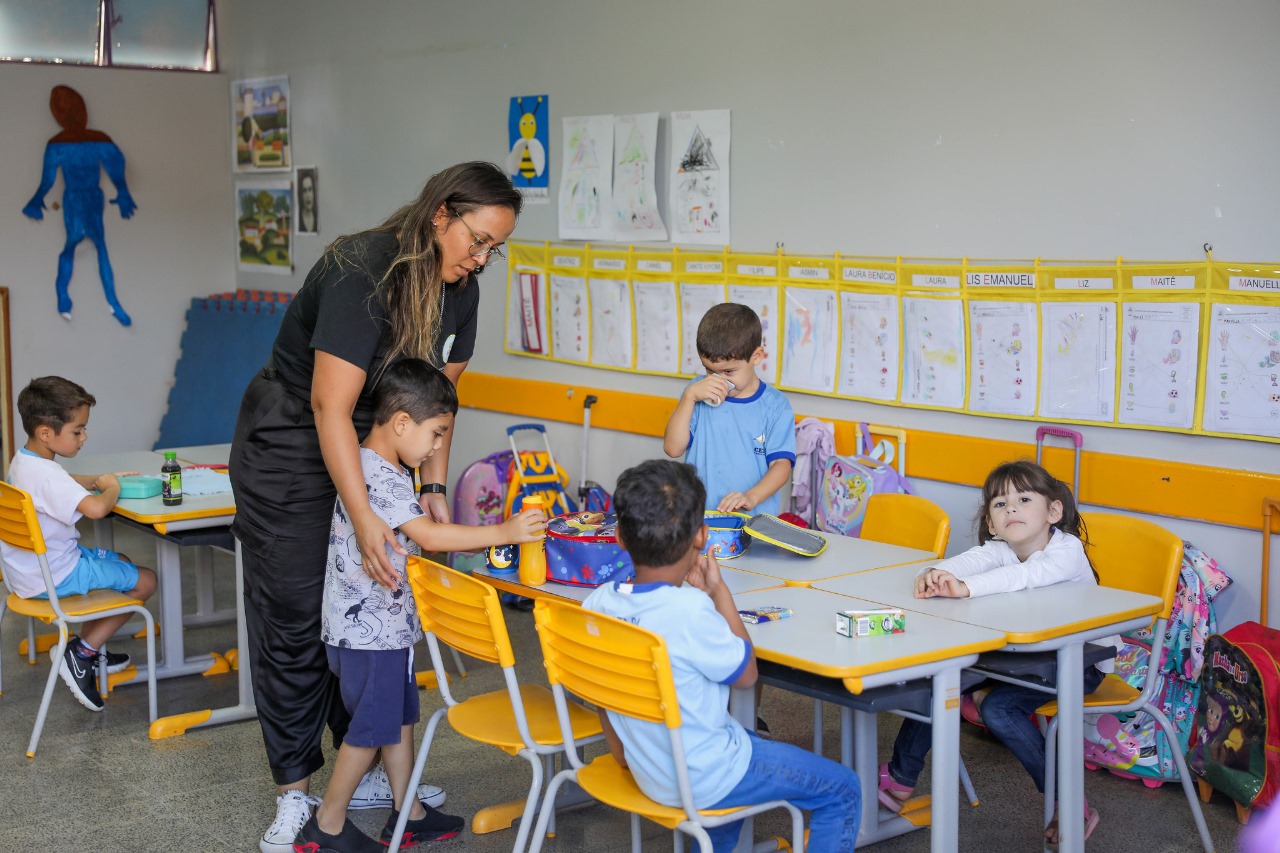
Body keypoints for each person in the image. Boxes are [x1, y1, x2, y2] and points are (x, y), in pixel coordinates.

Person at [228, 161, 521, 853]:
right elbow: (329, 405)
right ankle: (295, 795)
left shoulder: (461, 289)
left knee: (361, 611)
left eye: (495, 249)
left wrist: (431, 489)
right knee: (296, 617)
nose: (481, 259)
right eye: (477, 240)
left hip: (374, 446)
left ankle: (358, 770)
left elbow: (439, 403)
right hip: (295, 439)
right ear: (441, 214)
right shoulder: (363, 269)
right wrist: (365, 517)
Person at [295, 359, 545, 851]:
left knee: (398, 718)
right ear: (402, 422)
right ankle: (326, 824)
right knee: (371, 729)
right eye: (435, 435)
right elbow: (428, 536)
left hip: (381, 630)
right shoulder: (379, 475)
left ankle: (407, 811)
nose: (436, 449)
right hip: (371, 636)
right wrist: (503, 531)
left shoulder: (375, 465)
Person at [583, 459, 861, 853]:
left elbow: (597, 692)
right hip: (706, 776)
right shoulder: (690, 611)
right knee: (843, 788)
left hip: (650, 767)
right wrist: (718, 594)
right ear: (702, 535)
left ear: (620, 538)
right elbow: (747, 676)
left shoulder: (597, 606)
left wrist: (622, 753)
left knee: (744, 740)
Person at [878, 460, 1118, 847]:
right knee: (941, 680)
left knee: (999, 709)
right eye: (1001, 504)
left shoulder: (1067, 551)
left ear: (1053, 511)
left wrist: (965, 588)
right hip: (1022, 658)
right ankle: (901, 778)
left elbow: (1023, 577)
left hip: (1078, 662)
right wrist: (934, 572)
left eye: (1024, 500)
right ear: (991, 523)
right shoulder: (1000, 549)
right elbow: (967, 562)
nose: (1012, 509)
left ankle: (1068, 801)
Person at [2, 376, 157, 712]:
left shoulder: (25, 461)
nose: (84, 437)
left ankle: (91, 644)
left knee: (122, 559)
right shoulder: (48, 474)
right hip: (57, 575)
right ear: (46, 432)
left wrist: (96, 480)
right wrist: (111, 488)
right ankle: (81, 653)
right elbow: (98, 509)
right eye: (78, 431)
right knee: (145, 580)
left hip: (28, 573)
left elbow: (62, 483)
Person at [662, 302, 795, 517]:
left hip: (752, 523)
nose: (719, 380)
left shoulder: (776, 405)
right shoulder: (696, 392)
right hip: (699, 519)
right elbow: (673, 449)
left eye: (729, 372)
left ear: (756, 356)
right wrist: (689, 397)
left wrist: (751, 497)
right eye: (709, 371)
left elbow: (781, 465)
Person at [22, 85, 137, 326]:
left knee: (81, 244)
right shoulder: (96, 139)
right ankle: (98, 301)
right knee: (89, 244)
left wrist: (124, 192)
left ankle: (72, 299)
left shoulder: (60, 143)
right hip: (81, 197)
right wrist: (123, 192)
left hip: (83, 197)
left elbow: (48, 180)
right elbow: (116, 168)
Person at [297, 169, 318, 234]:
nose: (308, 195)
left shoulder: (318, 219)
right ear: (301, 196)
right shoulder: (297, 220)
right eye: (304, 191)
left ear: (313, 192)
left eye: (310, 189)